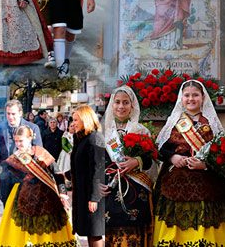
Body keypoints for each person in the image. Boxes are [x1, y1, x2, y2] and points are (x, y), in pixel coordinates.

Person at [153, 80, 225, 246]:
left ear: (202, 98)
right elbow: (160, 149)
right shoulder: (174, 122)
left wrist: (205, 165)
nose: (191, 99)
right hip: (175, 182)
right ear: (181, 98)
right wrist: (173, 157)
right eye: (187, 95)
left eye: (195, 95)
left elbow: (221, 153)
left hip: (207, 182)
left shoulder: (212, 123)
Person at [0, 125, 76, 247]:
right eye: (16, 141)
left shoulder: (41, 152)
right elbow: (2, 167)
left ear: (30, 138)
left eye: (21, 141)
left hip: (46, 196)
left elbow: (57, 172)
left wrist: (63, 192)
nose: (18, 144)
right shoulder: (16, 157)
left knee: (46, 226)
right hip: (23, 196)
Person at [102, 85, 157, 247]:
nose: (121, 106)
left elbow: (151, 161)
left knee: (135, 234)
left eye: (126, 102)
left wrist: (137, 161)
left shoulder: (142, 131)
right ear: (112, 105)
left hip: (136, 191)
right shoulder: (102, 132)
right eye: (117, 102)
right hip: (110, 189)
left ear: (132, 106)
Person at [0, 99, 42, 206]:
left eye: (13, 114)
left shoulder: (32, 128)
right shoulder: (0, 127)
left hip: (25, 178)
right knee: (7, 208)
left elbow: (38, 151)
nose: (10, 116)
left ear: (20, 113)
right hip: (6, 177)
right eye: (8, 113)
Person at [71, 105, 105, 247]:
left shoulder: (94, 138)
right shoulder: (82, 138)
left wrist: (94, 198)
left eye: (75, 120)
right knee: (89, 232)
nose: (73, 123)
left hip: (92, 194)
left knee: (94, 232)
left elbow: (98, 169)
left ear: (85, 120)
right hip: (83, 192)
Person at [57, 120, 75, 189]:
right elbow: (63, 145)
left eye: (73, 126)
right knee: (65, 168)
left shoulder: (77, 135)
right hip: (67, 154)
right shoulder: (66, 135)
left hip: (75, 154)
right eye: (71, 126)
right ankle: (65, 182)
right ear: (68, 127)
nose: (72, 128)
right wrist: (69, 151)